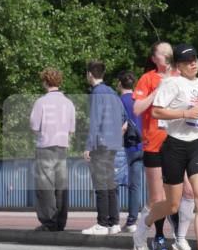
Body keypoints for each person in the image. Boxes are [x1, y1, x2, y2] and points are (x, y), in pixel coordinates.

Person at [131, 45, 198, 250]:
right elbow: (156, 111)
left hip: (197, 144)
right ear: (179, 66)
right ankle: (144, 224)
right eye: (188, 60)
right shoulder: (171, 83)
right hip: (174, 145)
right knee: (172, 205)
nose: (193, 63)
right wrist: (184, 113)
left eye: (195, 59)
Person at [132, 42, 183, 250]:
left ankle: (180, 238)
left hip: (179, 141)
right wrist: (156, 92)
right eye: (163, 53)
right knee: (158, 198)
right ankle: (158, 235)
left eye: (169, 52)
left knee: (185, 193)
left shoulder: (180, 77)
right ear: (154, 59)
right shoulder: (147, 78)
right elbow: (137, 109)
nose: (167, 55)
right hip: (154, 142)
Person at [29, 68, 76, 231]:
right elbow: (71, 129)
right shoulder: (69, 103)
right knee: (61, 186)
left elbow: (34, 126)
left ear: (45, 82)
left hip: (45, 146)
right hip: (62, 146)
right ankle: (60, 222)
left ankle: (49, 222)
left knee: (45, 186)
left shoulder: (41, 102)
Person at [82, 61, 125, 235]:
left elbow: (95, 121)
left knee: (100, 183)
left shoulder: (96, 93)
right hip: (114, 143)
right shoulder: (113, 93)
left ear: (89, 74)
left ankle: (102, 223)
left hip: (101, 144)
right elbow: (124, 116)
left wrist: (88, 146)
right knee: (110, 183)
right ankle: (114, 223)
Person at [117, 71, 144, 232]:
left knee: (114, 182)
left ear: (119, 84)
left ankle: (112, 221)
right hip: (143, 145)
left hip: (127, 146)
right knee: (135, 185)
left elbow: (120, 126)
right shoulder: (140, 99)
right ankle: (132, 221)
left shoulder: (119, 101)